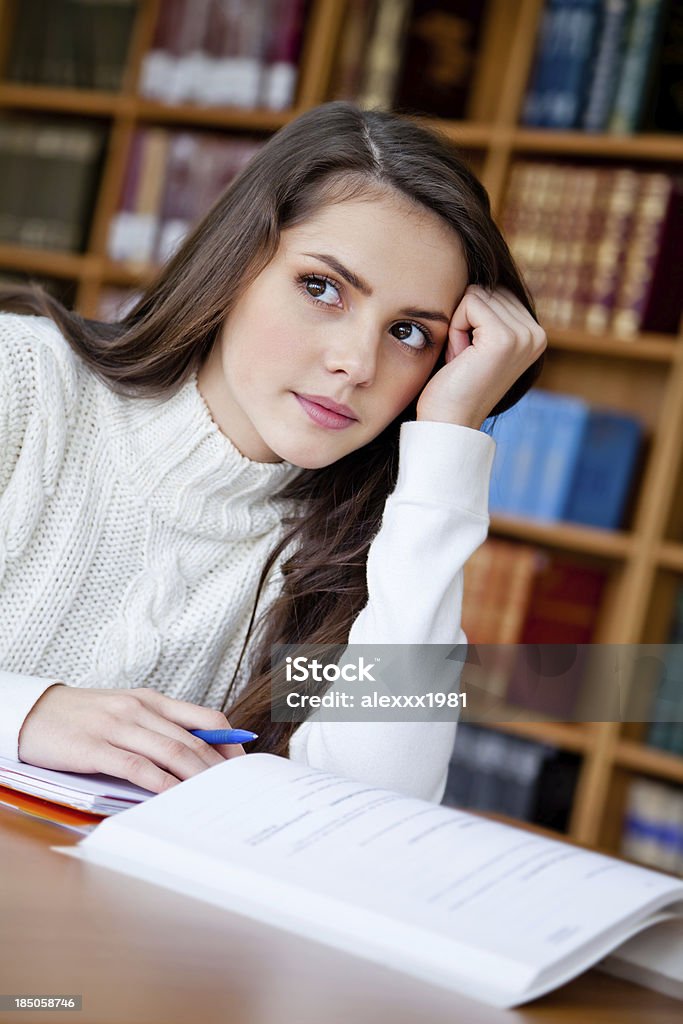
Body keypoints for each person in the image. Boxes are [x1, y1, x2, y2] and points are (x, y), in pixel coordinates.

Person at [0, 101, 545, 803]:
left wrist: (447, 446)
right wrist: (27, 712)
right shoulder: (23, 382)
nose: (356, 362)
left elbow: (367, 815)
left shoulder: (368, 545)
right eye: (322, 288)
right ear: (235, 264)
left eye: (409, 332)